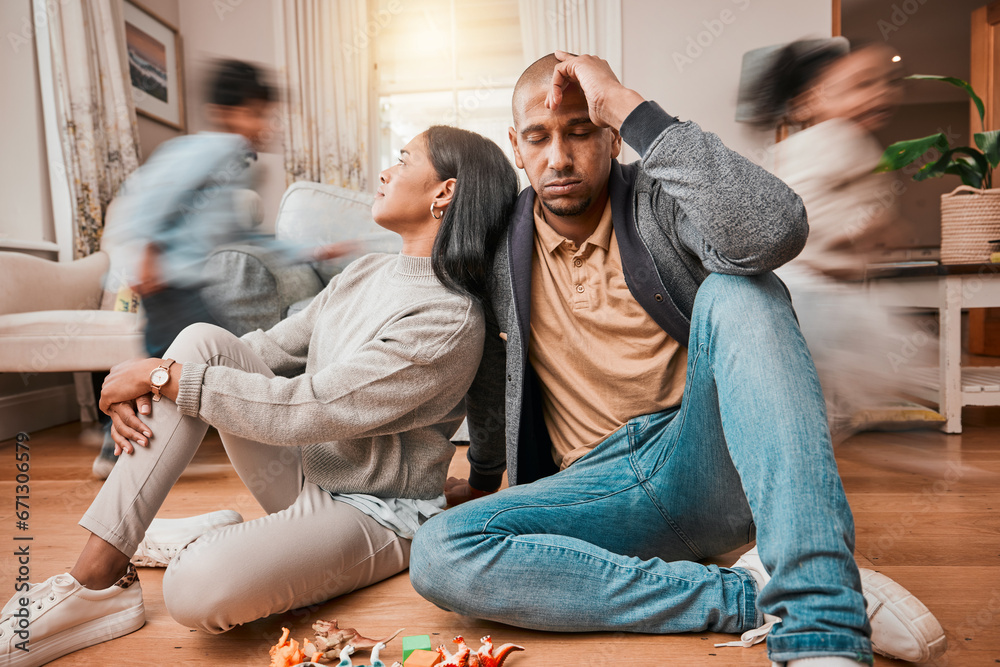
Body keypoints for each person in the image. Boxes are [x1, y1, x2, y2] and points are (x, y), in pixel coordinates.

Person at [408, 52, 947, 667]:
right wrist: (481, 478)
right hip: (590, 488)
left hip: (697, 457)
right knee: (440, 551)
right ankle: (749, 593)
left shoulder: (659, 200)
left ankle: (821, 627)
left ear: (612, 137)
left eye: (581, 132)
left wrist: (630, 107)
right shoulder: (502, 242)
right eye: (538, 138)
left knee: (742, 286)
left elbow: (773, 231)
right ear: (516, 145)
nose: (558, 158)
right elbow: (485, 368)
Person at [0, 125, 519, 667]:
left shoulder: (448, 316)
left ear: (445, 192)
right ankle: (95, 582)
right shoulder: (365, 272)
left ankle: (209, 539)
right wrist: (163, 372)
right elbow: (265, 350)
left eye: (403, 160)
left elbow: (313, 407)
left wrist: (161, 380)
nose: (386, 172)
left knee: (192, 590)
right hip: (303, 476)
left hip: (374, 513)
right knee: (201, 340)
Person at [91, 59, 354, 479]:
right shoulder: (204, 152)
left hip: (190, 284)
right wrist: (145, 256)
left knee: (190, 359)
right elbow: (146, 202)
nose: (265, 124)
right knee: (203, 359)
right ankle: (117, 449)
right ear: (228, 112)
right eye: (258, 113)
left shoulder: (233, 164)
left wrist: (308, 251)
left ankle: (120, 438)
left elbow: (248, 236)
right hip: (171, 283)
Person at [750, 40, 923, 436]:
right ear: (811, 102)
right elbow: (808, 216)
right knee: (884, 372)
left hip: (800, 290)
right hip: (817, 291)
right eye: (861, 85)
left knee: (812, 397)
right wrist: (867, 231)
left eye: (886, 83)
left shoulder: (796, 146)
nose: (881, 94)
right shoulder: (840, 138)